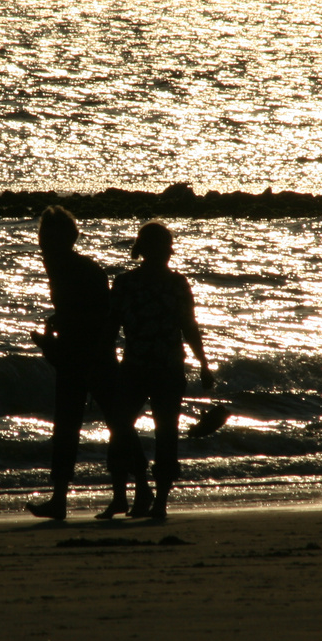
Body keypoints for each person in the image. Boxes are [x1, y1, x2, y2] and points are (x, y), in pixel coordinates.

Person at [27, 206, 150, 521]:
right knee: (76, 425)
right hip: (76, 355)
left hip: (93, 356)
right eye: (42, 236)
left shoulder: (79, 269)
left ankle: (142, 489)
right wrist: (59, 324)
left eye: (46, 237)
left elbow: (101, 316)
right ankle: (60, 499)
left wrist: (65, 327)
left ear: (63, 240)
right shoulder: (62, 265)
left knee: (115, 424)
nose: (41, 243)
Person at [112, 222, 214, 521]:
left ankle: (155, 497)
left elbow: (189, 327)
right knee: (146, 430)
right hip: (152, 368)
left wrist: (205, 364)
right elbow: (189, 327)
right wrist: (204, 364)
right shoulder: (137, 283)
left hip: (147, 368)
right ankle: (148, 491)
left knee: (144, 429)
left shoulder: (133, 283)